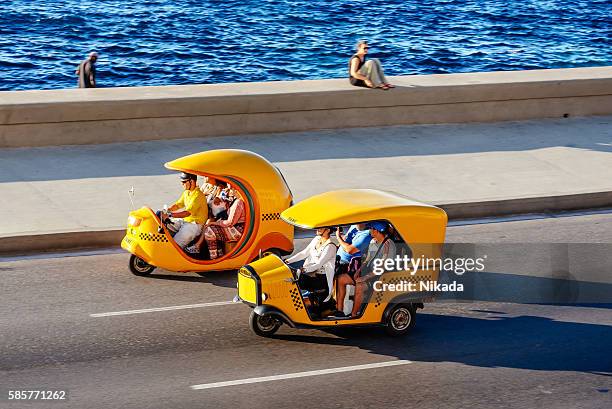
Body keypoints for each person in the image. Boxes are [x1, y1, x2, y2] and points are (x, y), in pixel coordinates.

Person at [334, 221, 396, 317]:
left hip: (380, 277)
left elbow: (383, 267)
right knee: (341, 279)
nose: (369, 230)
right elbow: (367, 259)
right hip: (369, 272)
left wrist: (365, 277)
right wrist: (358, 271)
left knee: (360, 285)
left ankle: (354, 315)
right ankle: (339, 311)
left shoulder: (388, 245)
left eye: (371, 228)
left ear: (377, 231)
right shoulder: (373, 241)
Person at [186, 189, 245, 258]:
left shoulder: (238, 202)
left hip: (236, 230)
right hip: (233, 227)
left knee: (209, 231)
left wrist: (215, 223)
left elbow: (230, 222)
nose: (230, 189)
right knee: (210, 226)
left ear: (236, 191)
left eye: (232, 188)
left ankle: (214, 257)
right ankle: (218, 254)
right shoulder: (235, 200)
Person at [285, 227, 337, 302]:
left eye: (321, 228)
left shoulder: (330, 246)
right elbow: (304, 253)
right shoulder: (317, 239)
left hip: (320, 278)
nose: (318, 229)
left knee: (293, 281)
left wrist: (304, 270)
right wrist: (288, 261)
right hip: (311, 273)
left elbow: (318, 264)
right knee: (289, 278)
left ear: (328, 230)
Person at [163, 172, 208, 249]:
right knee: (164, 224)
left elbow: (187, 213)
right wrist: (167, 210)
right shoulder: (187, 192)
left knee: (175, 246)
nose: (182, 184)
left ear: (192, 181)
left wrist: (170, 215)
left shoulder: (198, 195)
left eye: (184, 182)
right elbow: (178, 205)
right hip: (185, 221)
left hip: (194, 225)